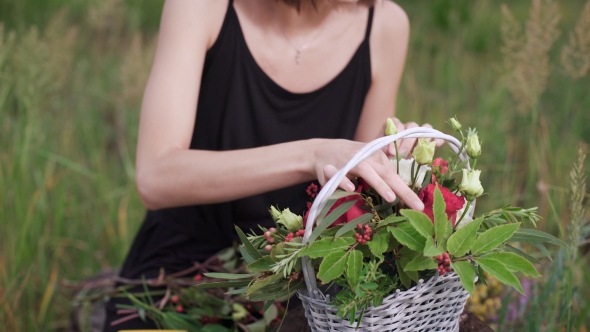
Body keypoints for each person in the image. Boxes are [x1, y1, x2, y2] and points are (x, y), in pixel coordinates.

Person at [104, 0, 436, 330]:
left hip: (299, 279)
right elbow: (155, 175)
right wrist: (311, 155)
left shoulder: (384, 25)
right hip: (182, 273)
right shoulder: (201, 7)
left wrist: (389, 154)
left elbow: (359, 200)